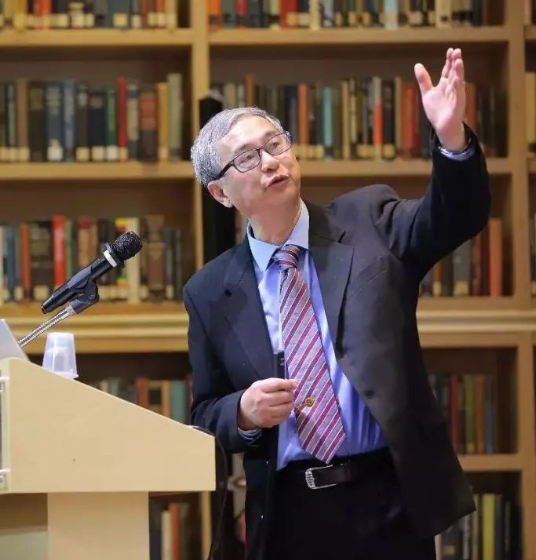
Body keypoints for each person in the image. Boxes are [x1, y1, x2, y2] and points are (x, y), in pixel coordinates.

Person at [184, 48, 488, 560]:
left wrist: (451, 138)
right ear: (220, 193)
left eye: (274, 144)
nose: (270, 162)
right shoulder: (210, 291)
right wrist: (244, 412)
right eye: (247, 159)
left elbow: (453, 216)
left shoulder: (369, 221)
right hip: (288, 514)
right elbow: (205, 412)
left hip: (389, 501)